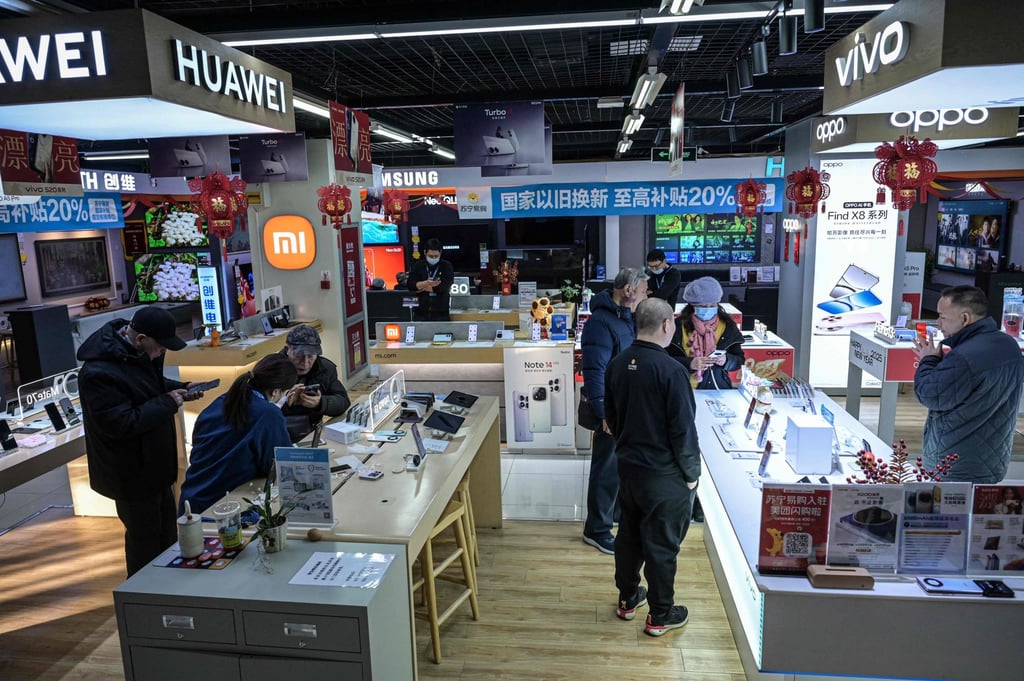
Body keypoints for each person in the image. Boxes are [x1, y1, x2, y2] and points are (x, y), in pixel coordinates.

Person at [76, 306, 201, 576]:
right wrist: (167, 402)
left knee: (167, 534)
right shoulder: (98, 373)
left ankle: (167, 585)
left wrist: (180, 388)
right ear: (141, 338)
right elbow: (120, 423)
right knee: (144, 541)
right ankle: (142, 593)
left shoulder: (136, 353)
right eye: (160, 346)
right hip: (131, 473)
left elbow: (149, 386)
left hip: (155, 466)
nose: (163, 351)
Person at [605, 298, 700, 637]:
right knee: (661, 545)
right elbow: (683, 431)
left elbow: (611, 419)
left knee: (628, 536)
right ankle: (660, 614)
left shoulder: (617, 364)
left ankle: (628, 598)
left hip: (628, 469)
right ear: (666, 325)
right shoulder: (672, 371)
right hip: (664, 475)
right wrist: (692, 474)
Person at [912, 286, 1024, 483]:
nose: (938, 323)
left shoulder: (964, 357)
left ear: (964, 318)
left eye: (942, 317)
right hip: (993, 460)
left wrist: (928, 360)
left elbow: (930, 394)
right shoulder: (1009, 345)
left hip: (954, 466)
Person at [580, 267, 649, 554]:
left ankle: (615, 516)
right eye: (643, 291)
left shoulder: (625, 318)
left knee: (620, 467)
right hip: (611, 409)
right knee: (606, 470)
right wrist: (603, 412)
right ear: (628, 291)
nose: (646, 295)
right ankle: (596, 530)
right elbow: (594, 371)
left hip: (625, 405)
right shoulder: (600, 322)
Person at [178, 355, 296, 516]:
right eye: (285, 393)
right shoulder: (268, 414)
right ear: (276, 391)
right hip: (226, 508)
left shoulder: (221, 402)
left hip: (192, 503)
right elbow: (280, 466)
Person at [672, 277, 745, 391]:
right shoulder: (677, 326)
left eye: (712, 305)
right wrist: (689, 363)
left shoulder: (728, 326)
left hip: (717, 388)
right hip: (682, 388)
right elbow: (664, 359)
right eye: (703, 306)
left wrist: (726, 360)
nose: (708, 309)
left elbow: (739, 360)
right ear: (692, 305)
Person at [279, 325, 351, 441]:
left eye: (310, 356)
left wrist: (320, 403)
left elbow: (343, 401)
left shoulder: (325, 368)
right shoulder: (270, 370)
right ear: (287, 350)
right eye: (299, 356)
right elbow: (255, 413)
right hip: (277, 433)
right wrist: (284, 403)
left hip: (312, 433)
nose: (305, 363)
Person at [407, 238, 455, 321]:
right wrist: (425, 283)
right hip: (420, 312)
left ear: (440, 253)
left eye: (436, 256)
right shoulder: (418, 265)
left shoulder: (446, 266)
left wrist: (422, 288)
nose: (433, 258)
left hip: (441, 312)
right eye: (430, 256)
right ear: (425, 253)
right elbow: (410, 285)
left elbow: (445, 286)